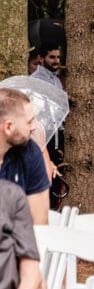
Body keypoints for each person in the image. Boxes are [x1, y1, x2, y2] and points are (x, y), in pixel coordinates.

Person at [0, 90, 51, 225]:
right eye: (29, 122)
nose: (34, 127)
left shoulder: (30, 152)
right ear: (9, 127)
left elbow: (40, 222)